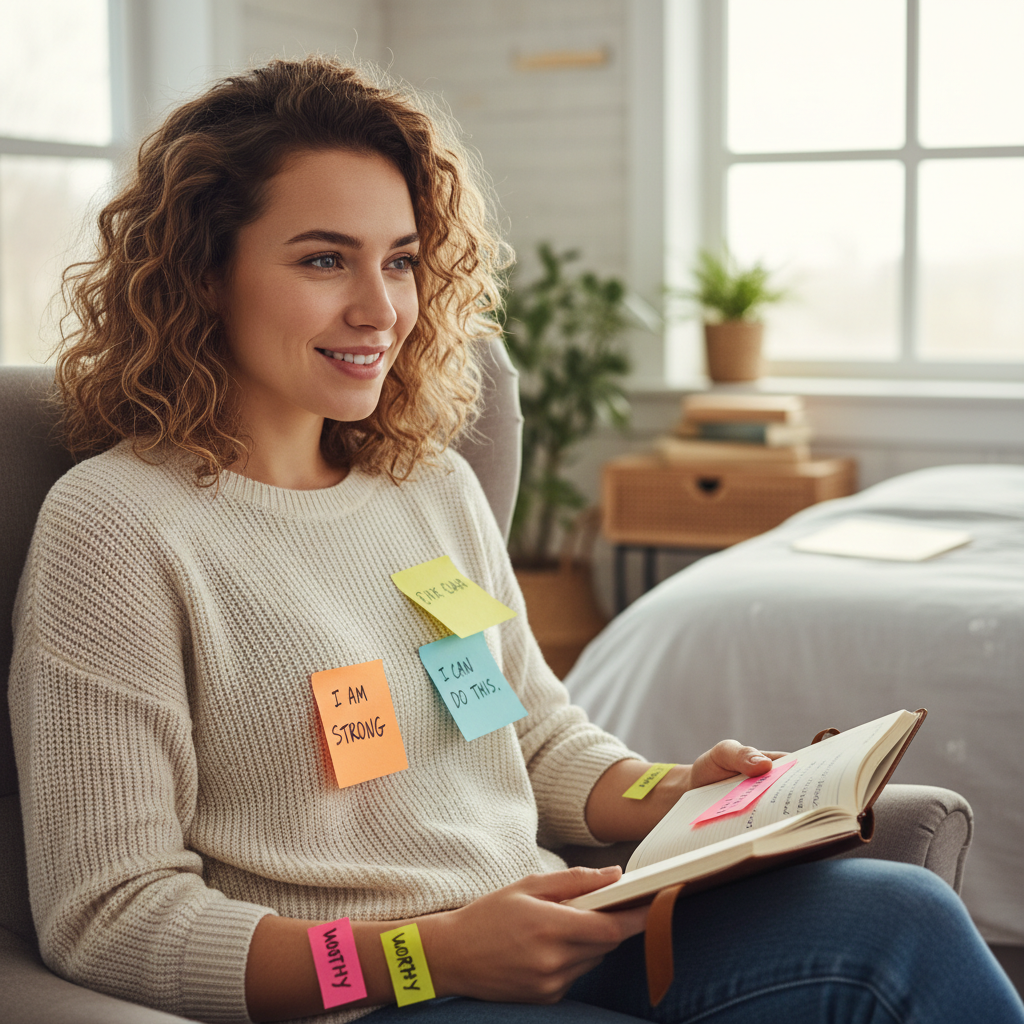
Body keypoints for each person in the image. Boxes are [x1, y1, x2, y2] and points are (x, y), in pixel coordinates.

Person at [8, 56, 1022, 1024]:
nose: (380, 309)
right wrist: (428, 953)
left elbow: (528, 738)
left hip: (555, 922)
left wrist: (672, 790)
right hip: (382, 989)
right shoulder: (119, 526)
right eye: (325, 259)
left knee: (906, 921)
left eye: (400, 262)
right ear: (202, 273)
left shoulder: (429, 488)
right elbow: (110, 915)